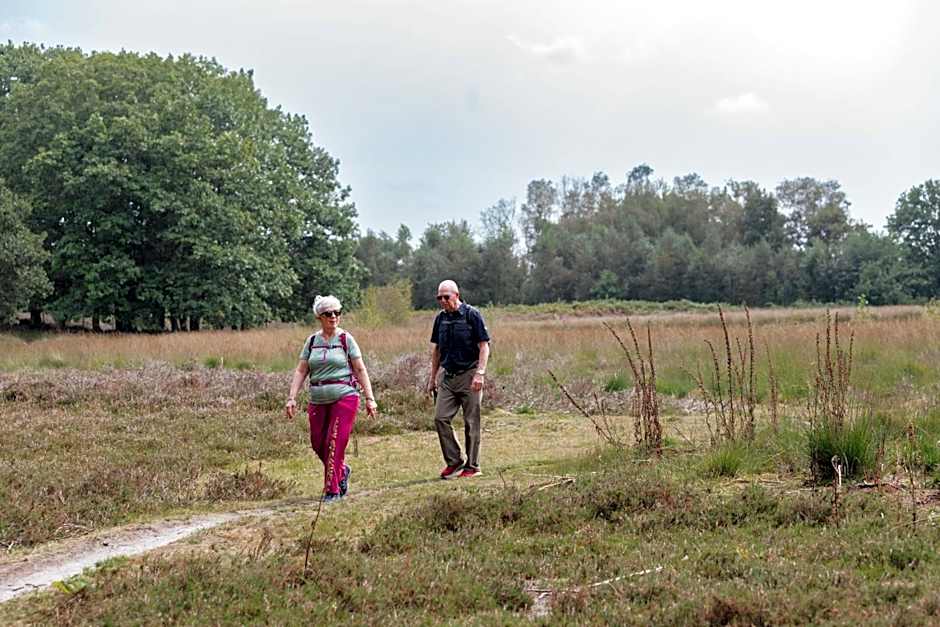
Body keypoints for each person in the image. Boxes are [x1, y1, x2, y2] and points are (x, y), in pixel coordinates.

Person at [286, 295, 378, 502]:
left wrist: (370, 398)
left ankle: (332, 490)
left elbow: (360, 369)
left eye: (337, 312)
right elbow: (301, 370)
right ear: (319, 316)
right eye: (328, 313)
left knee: (333, 442)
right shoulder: (311, 341)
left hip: (345, 397)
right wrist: (292, 397)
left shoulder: (346, 339)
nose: (334, 316)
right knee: (318, 443)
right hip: (318, 398)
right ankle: (342, 470)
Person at [426, 280, 491, 479]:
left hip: (470, 375)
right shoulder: (440, 319)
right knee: (440, 418)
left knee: (471, 421)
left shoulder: (472, 315)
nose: (443, 301)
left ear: (457, 295)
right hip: (448, 376)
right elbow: (437, 349)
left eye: (446, 297)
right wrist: (433, 377)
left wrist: (480, 373)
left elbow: (484, 346)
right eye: (439, 297)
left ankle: (472, 466)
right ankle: (454, 462)